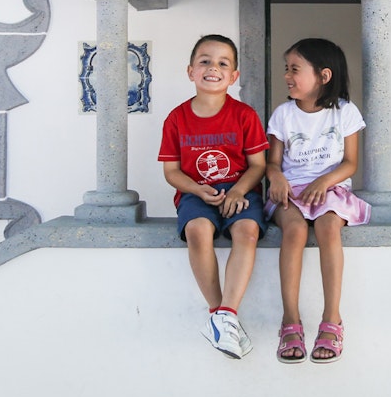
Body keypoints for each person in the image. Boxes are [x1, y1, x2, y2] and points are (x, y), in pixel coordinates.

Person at [158, 34, 269, 359]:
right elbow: (172, 172)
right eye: (205, 61)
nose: (213, 68)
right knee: (197, 231)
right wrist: (195, 189)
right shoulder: (176, 119)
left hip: (240, 188)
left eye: (223, 63)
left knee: (246, 233)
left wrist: (236, 190)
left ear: (234, 76)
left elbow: (258, 165)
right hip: (196, 191)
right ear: (190, 70)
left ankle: (227, 315)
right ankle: (216, 313)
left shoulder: (244, 115)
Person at [264, 38, 371, 364]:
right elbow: (272, 162)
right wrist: (277, 178)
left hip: (331, 189)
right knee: (294, 232)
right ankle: (290, 321)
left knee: (328, 229)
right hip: (292, 190)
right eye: (287, 69)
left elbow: (350, 163)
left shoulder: (345, 113)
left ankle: (332, 319)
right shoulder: (283, 114)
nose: (287, 76)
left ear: (323, 75)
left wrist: (324, 182)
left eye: (295, 69)